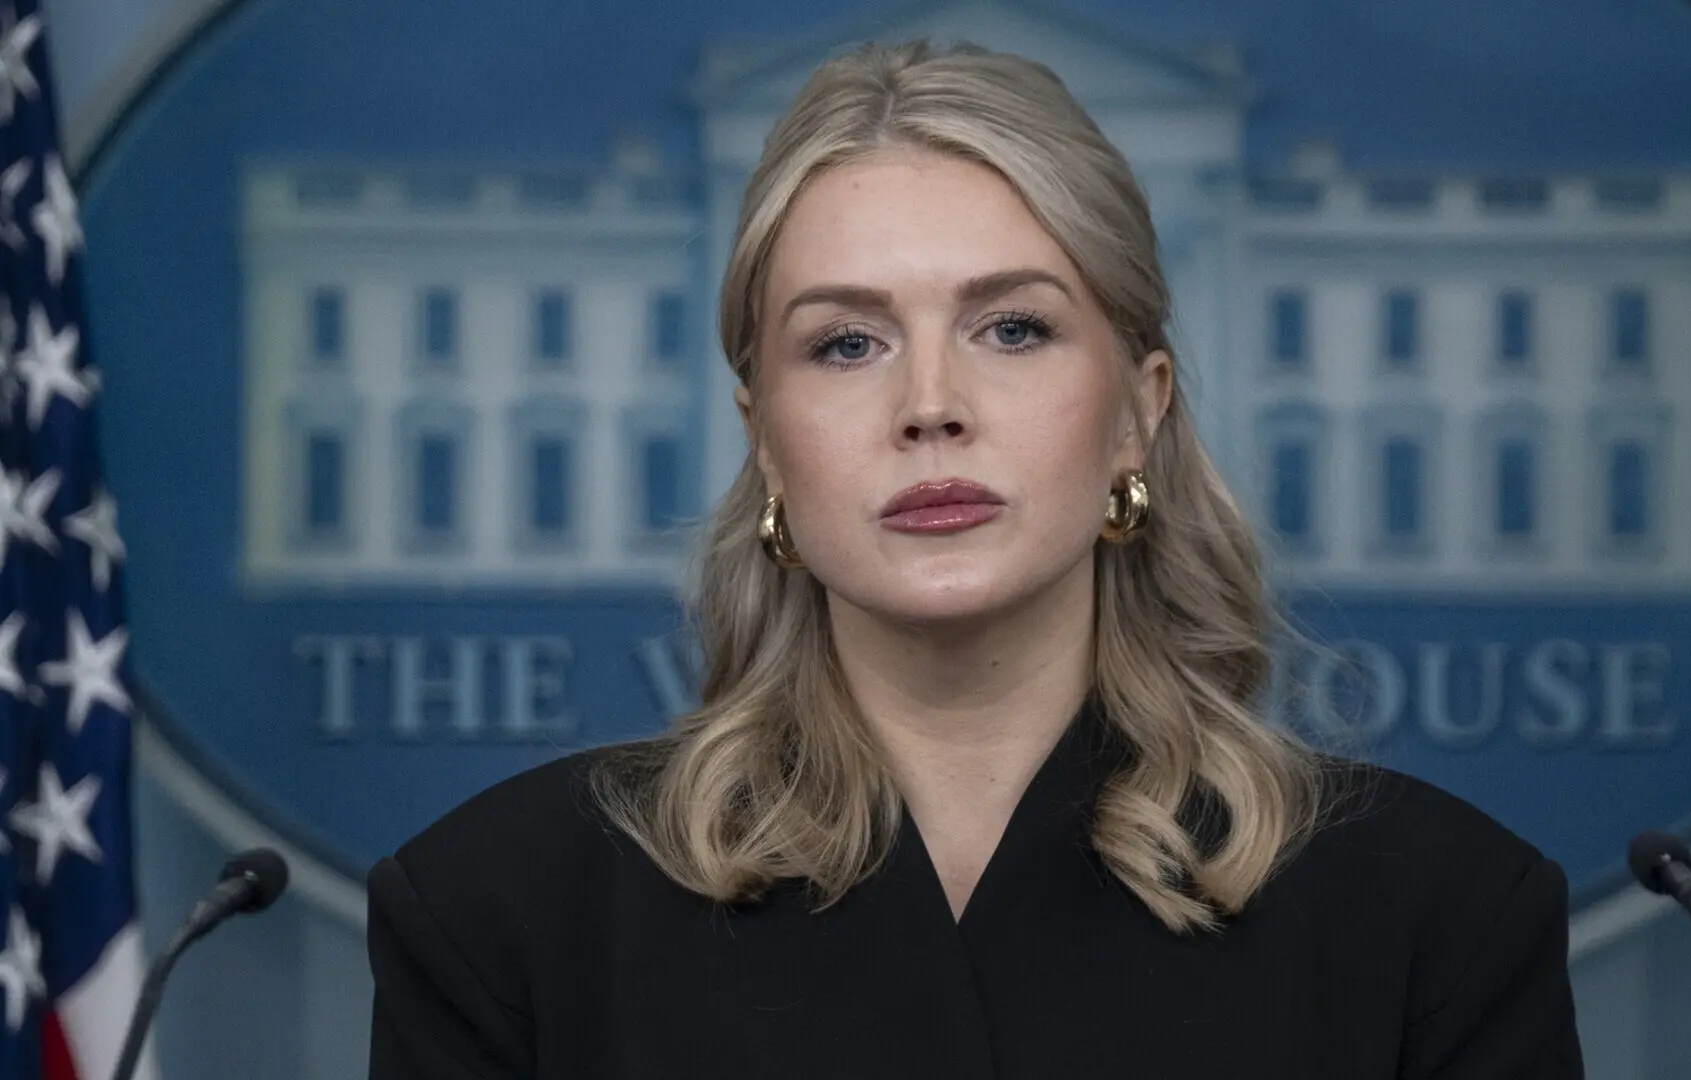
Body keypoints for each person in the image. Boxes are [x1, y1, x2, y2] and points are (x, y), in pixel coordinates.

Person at [366, 39, 1583, 1079]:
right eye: (847, 345)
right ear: (764, 439)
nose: (931, 405)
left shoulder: (1442, 919)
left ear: (1138, 410)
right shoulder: (497, 915)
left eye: (1013, 328)